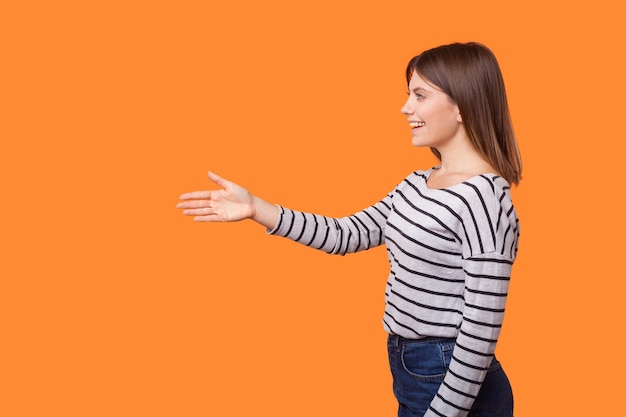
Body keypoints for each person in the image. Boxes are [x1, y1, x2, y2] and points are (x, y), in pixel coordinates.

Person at [177, 42, 522, 417]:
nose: (406, 108)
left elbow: (481, 329)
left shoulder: (484, 199)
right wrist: (256, 208)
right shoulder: (416, 184)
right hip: (414, 366)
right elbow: (346, 234)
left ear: (461, 105)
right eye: (408, 95)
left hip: (452, 378)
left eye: (420, 95)